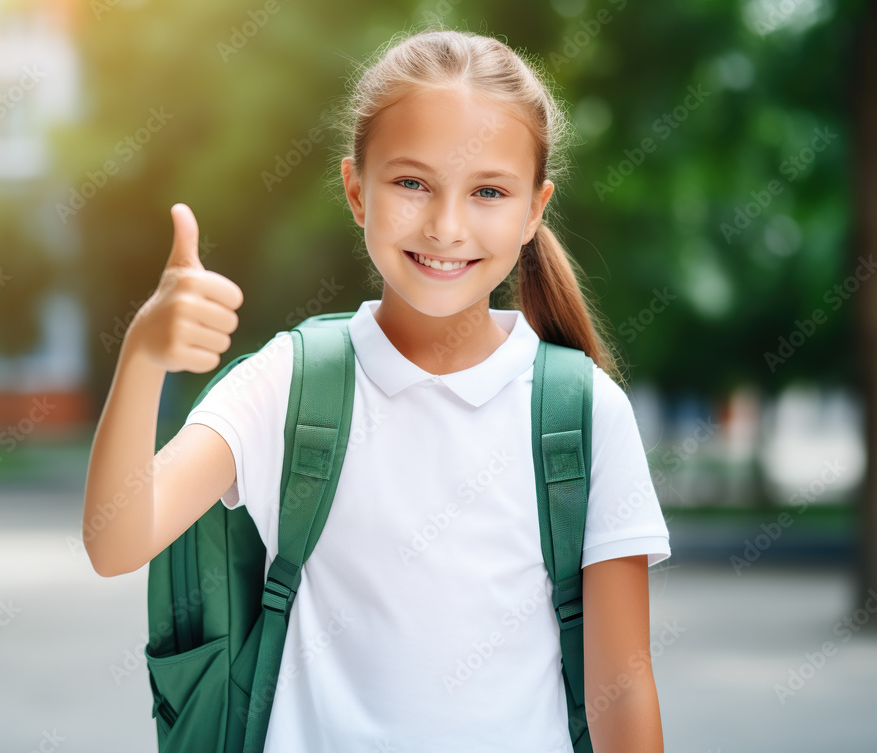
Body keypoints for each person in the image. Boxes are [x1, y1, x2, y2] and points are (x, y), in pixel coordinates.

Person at [83, 26, 671, 753]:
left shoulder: (584, 413)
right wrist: (143, 354)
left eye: (488, 190)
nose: (447, 225)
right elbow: (117, 537)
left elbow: (623, 695)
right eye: (412, 182)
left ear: (533, 210)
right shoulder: (291, 382)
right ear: (356, 191)